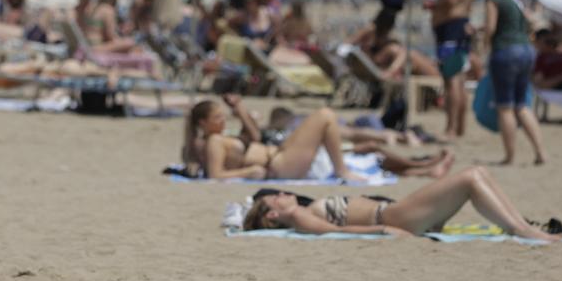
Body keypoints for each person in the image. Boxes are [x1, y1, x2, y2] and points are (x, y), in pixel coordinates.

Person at [244, 165, 558, 241]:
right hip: (395, 216)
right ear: (272, 214)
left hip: (396, 213)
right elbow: (328, 230)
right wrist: (383, 230)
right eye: (278, 197)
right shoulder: (300, 217)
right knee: (470, 177)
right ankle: (523, 230)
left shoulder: (301, 210)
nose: (286, 194)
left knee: (478, 174)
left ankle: (523, 226)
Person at [181, 96, 454, 183]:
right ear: (203, 124)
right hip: (279, 164)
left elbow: (252, 137)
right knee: (325, 115)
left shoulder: (221, 138)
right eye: (217, 117)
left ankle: (425, 168)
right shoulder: (214, 142)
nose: (222, 120)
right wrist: (249, 171)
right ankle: (342, 170)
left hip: (278, 154)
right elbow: (215, 175)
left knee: (365, 151)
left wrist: (239, 109)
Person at [467, 0, 547, 166]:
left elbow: (492, 28)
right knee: (522, 105)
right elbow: (527, 22)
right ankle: (540, 152)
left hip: (506, 52)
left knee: (505, 107)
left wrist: (484, 45)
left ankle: (510, 156)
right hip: (526, 51)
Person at [432, 0, 474, 139]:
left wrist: (434, 4)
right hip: (457, 31)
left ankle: (451, 128)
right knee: (460, 82)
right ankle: (460, 127)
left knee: (452, 83)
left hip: (450, 31)